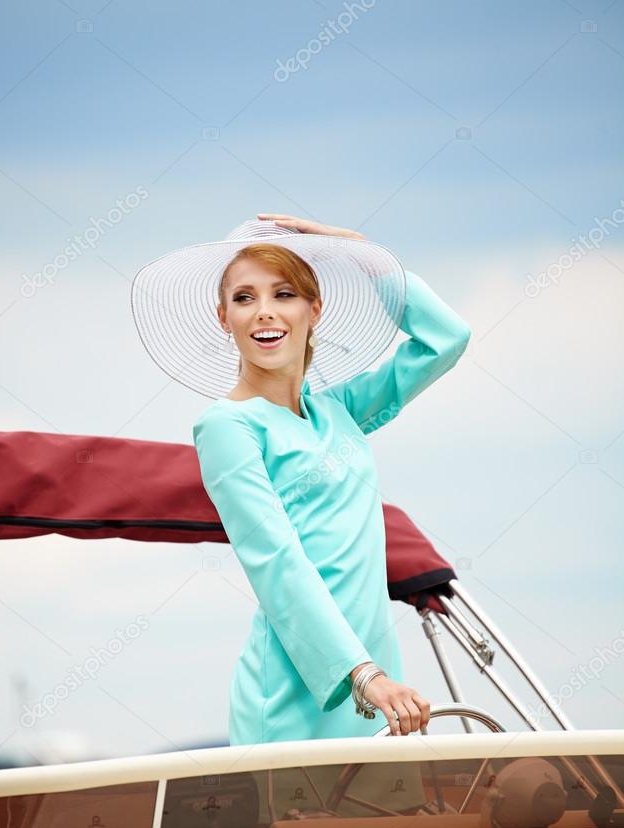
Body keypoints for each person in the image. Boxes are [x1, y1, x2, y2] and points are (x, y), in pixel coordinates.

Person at [131, 213, 472, 746]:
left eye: (283, 293)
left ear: (314, 309)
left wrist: (362, 255)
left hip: (381, 678)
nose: (264, 312)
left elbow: (446, 339)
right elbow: (274, 559)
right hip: (305, 687)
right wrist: (362, 674)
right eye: (244, 298)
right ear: (224, 317)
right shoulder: (227, 426)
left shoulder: (340, 410)